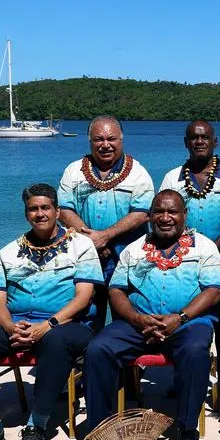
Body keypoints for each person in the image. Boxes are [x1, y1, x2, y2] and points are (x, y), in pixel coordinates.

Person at [0, 184, 100, 440]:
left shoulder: (81, 245)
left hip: (67, 325)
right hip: (18, 324)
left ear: (57, 211)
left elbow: (83, 297)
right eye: (33, 208)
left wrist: (49, 324)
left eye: (45, 207)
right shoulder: (9, 251)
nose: (40, 213)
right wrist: (9, 327)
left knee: (56, 342)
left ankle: (37, 425)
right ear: (26, 213)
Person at [78, 190, 220, 440]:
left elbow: (214, 291)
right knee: (98, 349)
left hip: (187, 322)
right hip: (138, 323)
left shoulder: (205, 247)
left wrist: (179, 318)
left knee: (195, 351)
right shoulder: (134, 249)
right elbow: (117, 291)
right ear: (150, 215)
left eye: (172, 212)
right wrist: (136, 318)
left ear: (184, 215)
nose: (165, 218)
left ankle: (186, 427)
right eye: (159, 211)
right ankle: (98, 430)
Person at [160, 120, 220, 403]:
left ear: (215, 142)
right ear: (186, 142)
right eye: (194, 138)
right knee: (184, 327)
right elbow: (163, 218)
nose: (199, 142)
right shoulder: (172, 178)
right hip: (182, 268)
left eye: (205, 138)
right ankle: (182, 381)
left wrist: (213, 248)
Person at [59, 116, 154, 330]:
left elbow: (142, 213)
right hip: (83, 259)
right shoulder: (73, 171)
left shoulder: (138, 173)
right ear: (90, 141)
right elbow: (64, 210)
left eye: (111, 139)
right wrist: (90, 242)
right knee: (85, 318)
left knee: (129, 319)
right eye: (98, 139)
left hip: (128, 260)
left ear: (121, 140)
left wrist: (106, 236)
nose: (105, 145)